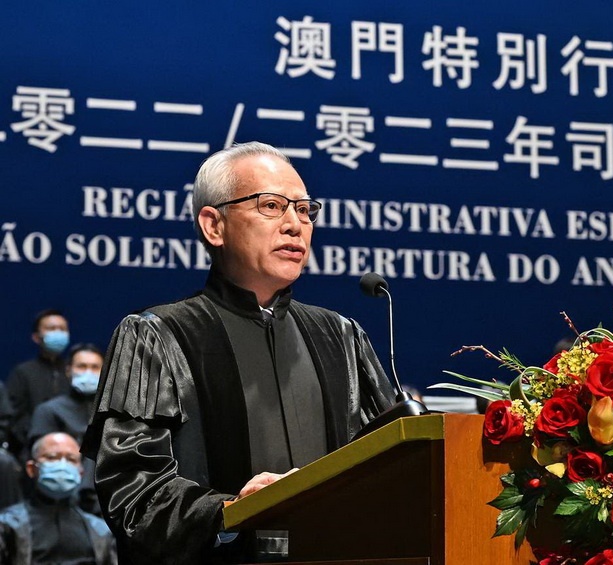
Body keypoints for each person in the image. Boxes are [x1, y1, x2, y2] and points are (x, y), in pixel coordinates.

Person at [81, 142, 395, 564]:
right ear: (214, 225)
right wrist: (228, 510)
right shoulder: (157, 335)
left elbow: (391, 472)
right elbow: (133, 492)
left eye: (305, 210)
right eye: (272, 206)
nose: (295, 225)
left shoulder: (341, 337)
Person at [0, 432, 116, 564]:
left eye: (71, 459)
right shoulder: (8, 525)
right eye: (52, 457)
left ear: (81, 473)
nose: (62, 465)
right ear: (31, 469)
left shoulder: (100, 530)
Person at [29, 343, 105, 516]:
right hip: (65, 484)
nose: (88, 372)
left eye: (95, 367)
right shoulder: (49, 410)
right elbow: (42, 457)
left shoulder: (114, 413)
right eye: (82, 366)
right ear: (68, 370)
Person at [6, 310, 71, 457]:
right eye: (51, 328)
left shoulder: (73, 372)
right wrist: (35, 438)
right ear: (36, 337)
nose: (58, 333)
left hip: (73, 446)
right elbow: (14, 415)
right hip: (31, 447)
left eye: (62, 329)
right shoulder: (23, 372)